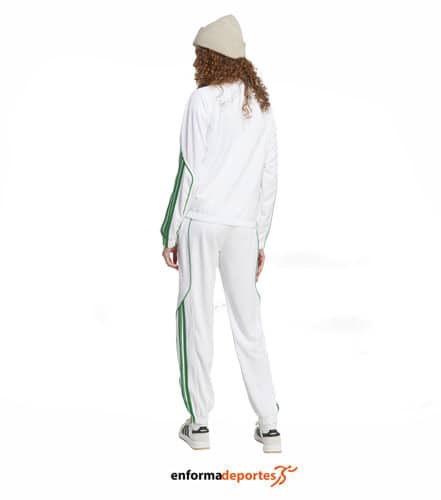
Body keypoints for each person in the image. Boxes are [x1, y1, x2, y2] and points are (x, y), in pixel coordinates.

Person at [160, 14, 281, 453]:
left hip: (201, 221)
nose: (197, 62)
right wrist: (260, 239)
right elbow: (269, 178)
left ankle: (200, 425)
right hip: (243, 228)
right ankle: (269, 426)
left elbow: (189, 171)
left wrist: (170, 231)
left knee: (196, 318)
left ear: (211, 57)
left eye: (201, 54)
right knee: (249, 323)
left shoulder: (202, 101)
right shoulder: (262, 107)